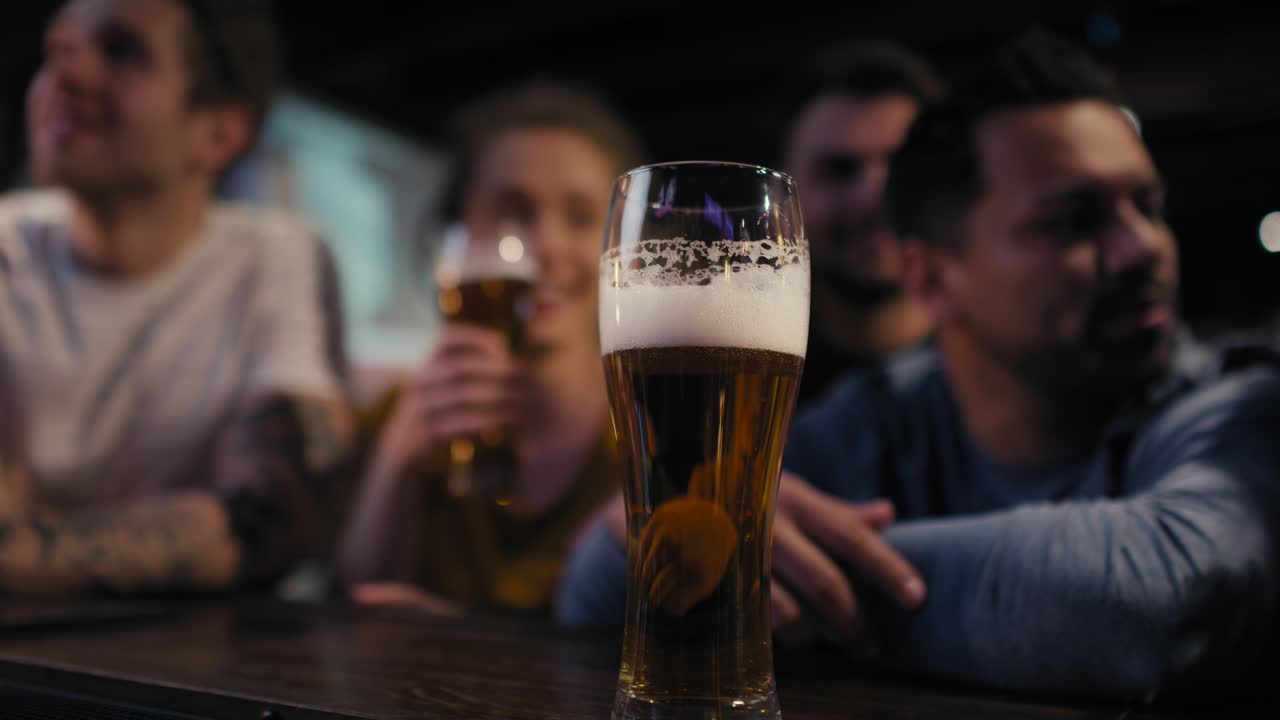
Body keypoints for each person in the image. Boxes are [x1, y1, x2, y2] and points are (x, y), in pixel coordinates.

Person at [557, 31, 1280, 700]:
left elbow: (1166, 596)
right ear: (931, 279)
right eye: (1073, 220)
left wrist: (735, 571)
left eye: (1149, 207)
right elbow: (589, 590)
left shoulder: (1238, 404)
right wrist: (680, 535)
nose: (1142, 248)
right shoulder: (877, 419)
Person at [0, 0, 350, 595]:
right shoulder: (8, 247)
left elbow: (271, 520)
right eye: (57, 51)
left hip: (209, 670)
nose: (66, 76)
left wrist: (23, 551)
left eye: (120, 51)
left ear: (218, 131)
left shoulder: (276, 256)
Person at [337, 82, 645, 617]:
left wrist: (474, 649)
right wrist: (398, 457)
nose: (547, 245)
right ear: (456, 240)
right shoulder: (399, 419)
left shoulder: (653, 433)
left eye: (579, 217)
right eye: (513, 213)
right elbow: (352, 611)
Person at [781, 42, 942, 407]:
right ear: (782, 201)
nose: (874, 197)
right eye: (839, 170)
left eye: (902, 167)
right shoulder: (750, 386)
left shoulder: (1009, 372)